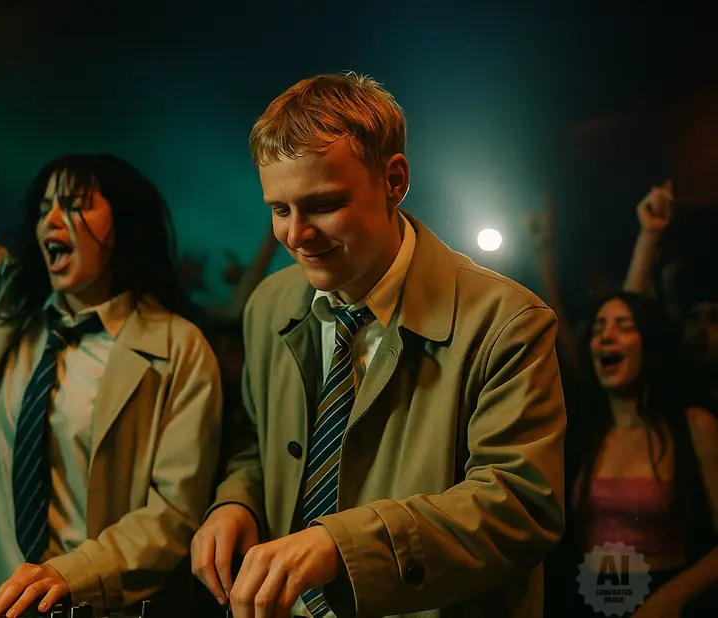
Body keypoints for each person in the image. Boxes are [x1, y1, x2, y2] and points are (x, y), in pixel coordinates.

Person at [0, 0, 224, 615]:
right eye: (45, 206)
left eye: (76, 204)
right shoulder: (13, 307)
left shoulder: (178, 347)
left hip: (91, 603)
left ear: (125, 227)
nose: (51, 219)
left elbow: (174, 513)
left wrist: (71, 574)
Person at [191, 72, 567, 618]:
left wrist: (342, 547)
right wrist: (236, 503)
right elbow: (257, 442)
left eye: (323, 204)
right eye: (279, 209)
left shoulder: (507, 322)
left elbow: (520, 507)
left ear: (394, 180)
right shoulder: (268, 305)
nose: (296, 235)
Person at [553, 292, 718, 618]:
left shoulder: (693, 425)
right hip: (587, 601)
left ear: (651, 342)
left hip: (661, 598)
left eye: (624, 326)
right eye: (599, 327)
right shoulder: (584, 432)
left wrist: (672, 598)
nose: (606, 336)